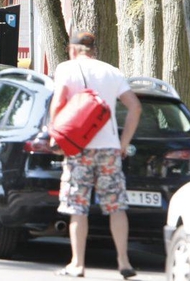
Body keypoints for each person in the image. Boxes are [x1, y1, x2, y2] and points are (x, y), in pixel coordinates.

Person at [49, 31, 142, 279]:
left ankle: (77, 264)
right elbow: (135, 106)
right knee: (116, 206)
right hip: (109, 149)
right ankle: (123, 262)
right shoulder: (112, 71)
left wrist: (55, 135)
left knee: (77, 207)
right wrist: (123, 142)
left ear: (72, 49)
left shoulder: (66, 69)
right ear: (93, 50)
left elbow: (58, 101)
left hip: (78, 148)